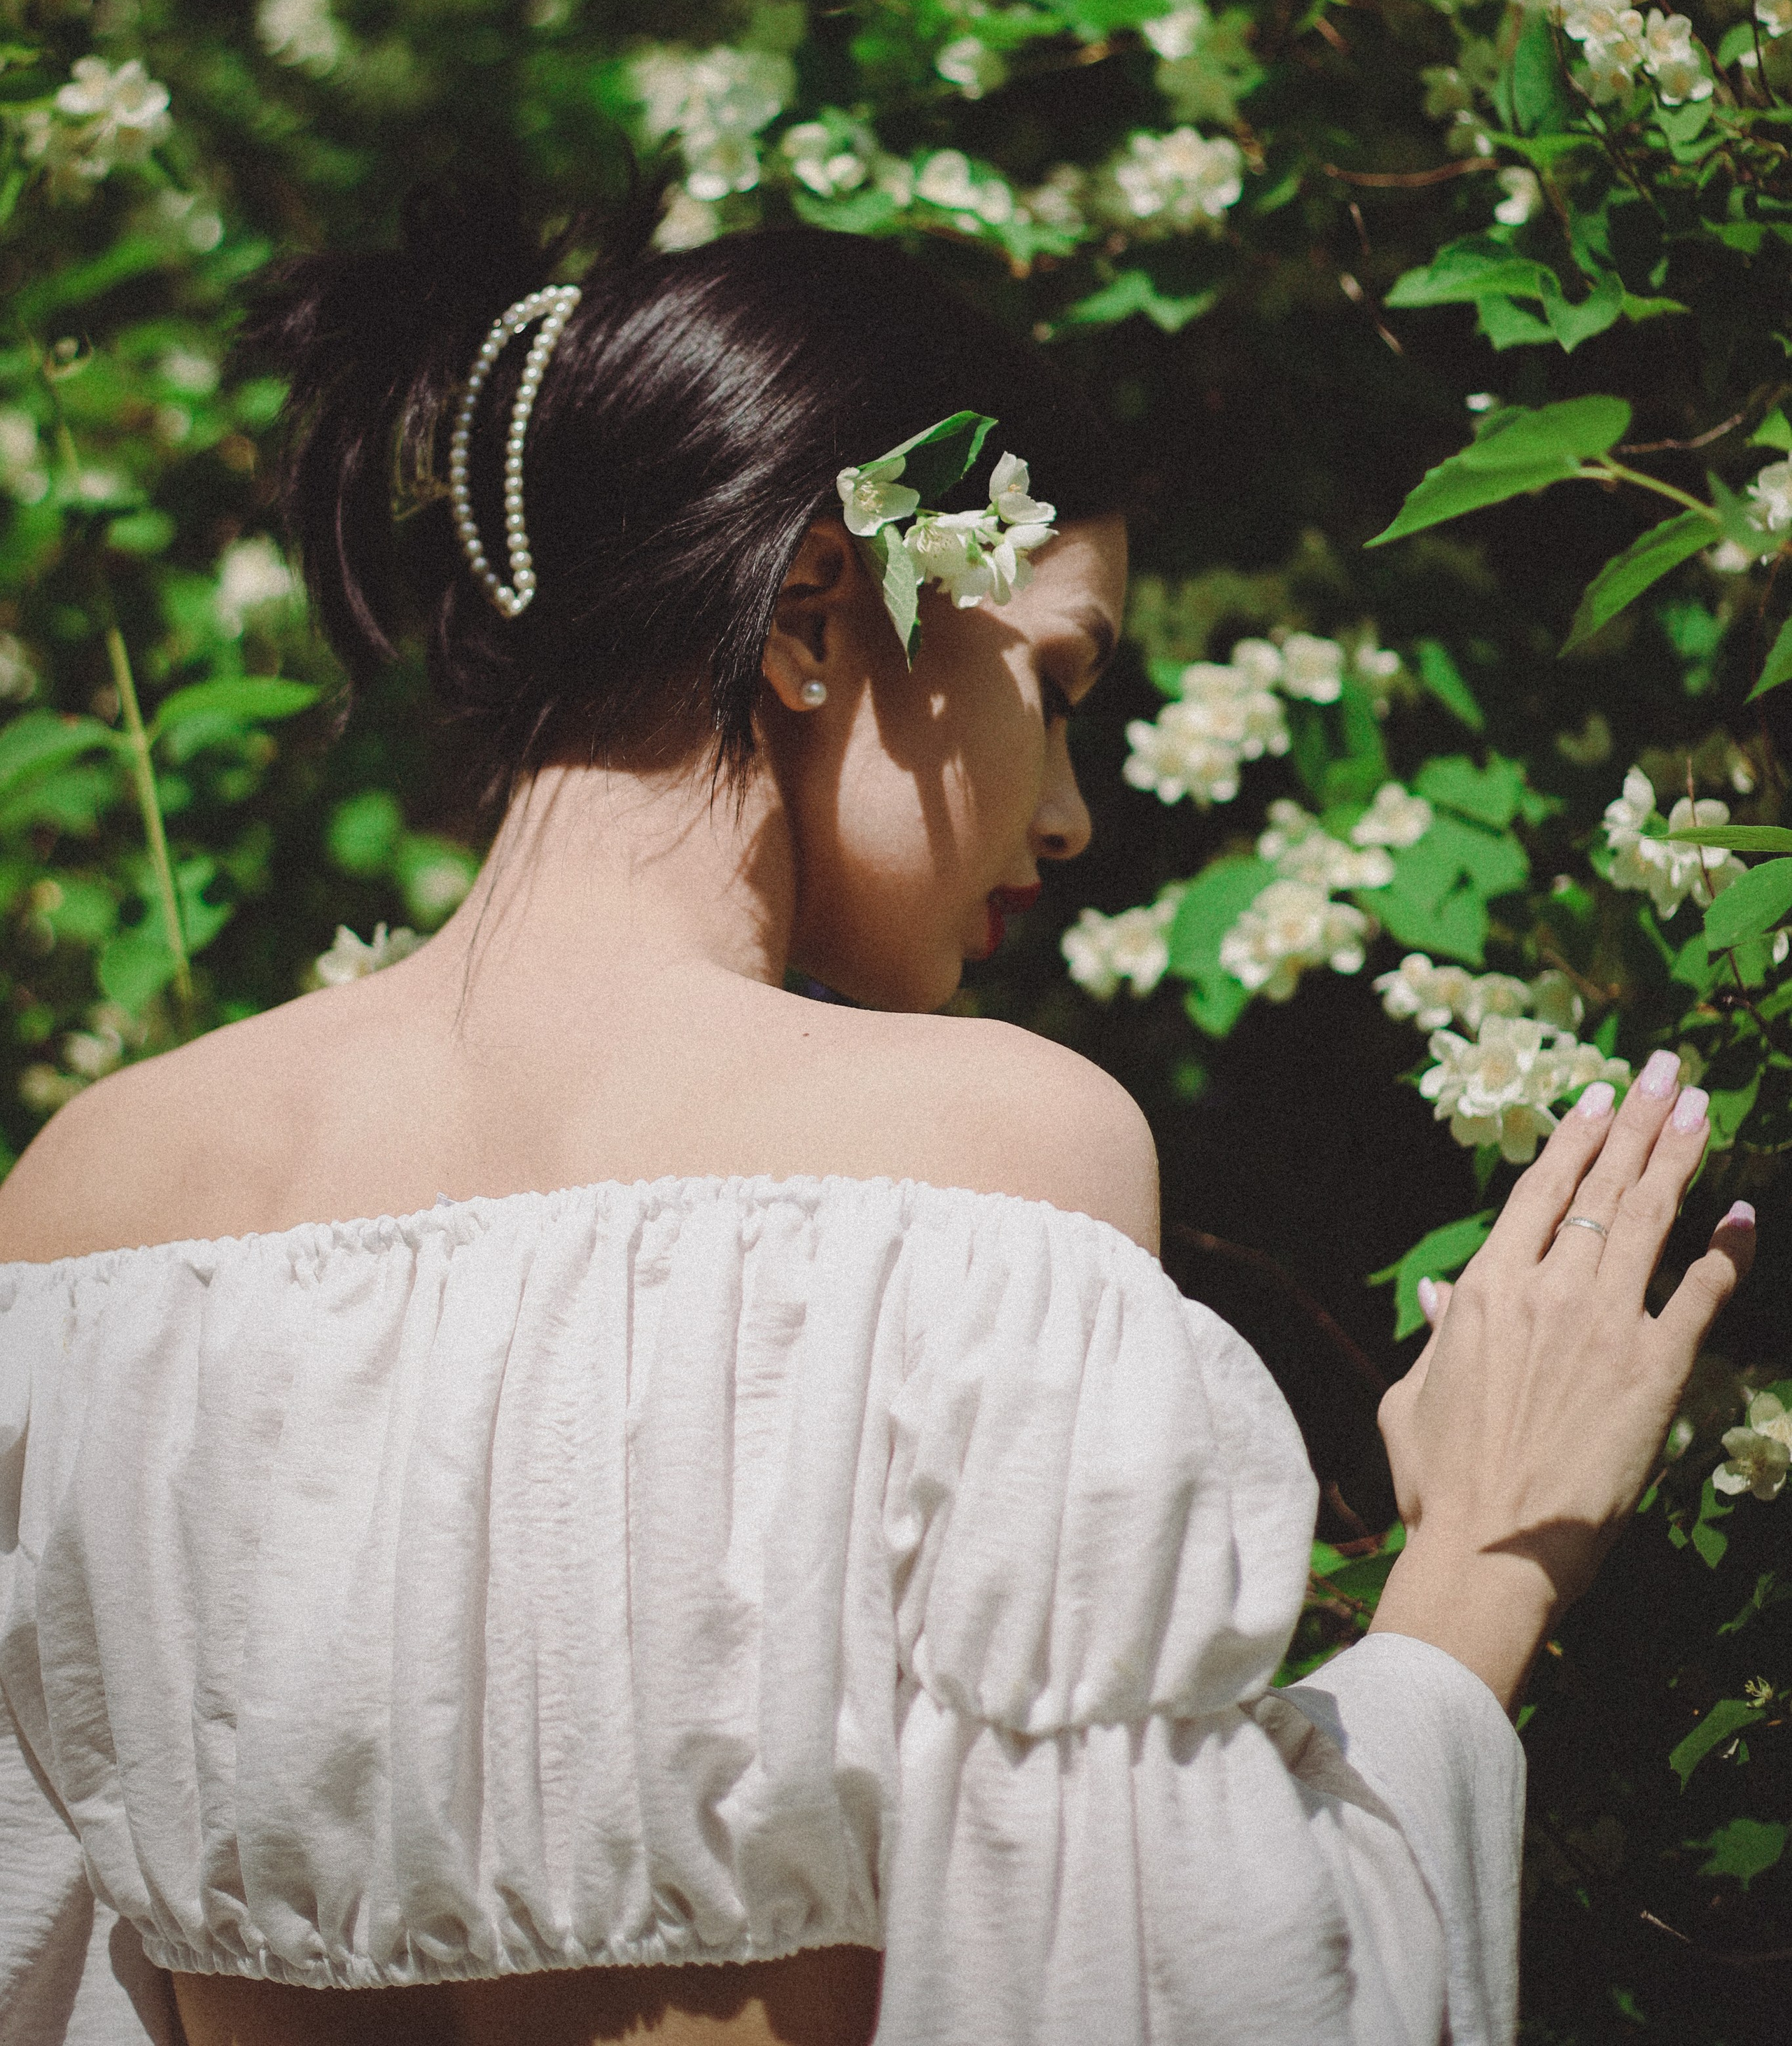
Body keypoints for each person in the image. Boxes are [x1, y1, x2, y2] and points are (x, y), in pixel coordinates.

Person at [0, 220, 1754, 2046]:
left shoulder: (98, 1207)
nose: (1069, 817)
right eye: (1061, 685)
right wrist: (1476, 1562)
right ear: (819, 608)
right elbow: (1176, 1992)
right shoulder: (983, 1161)